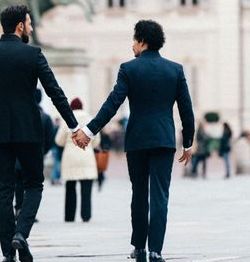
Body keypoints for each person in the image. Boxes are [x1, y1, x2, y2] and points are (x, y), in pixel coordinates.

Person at [73, 20, 195, 262]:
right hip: (163, 140)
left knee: (139, 193)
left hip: (137, 140)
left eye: (134, 40)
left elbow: (112, 104)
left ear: (142, 42)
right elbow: (186, 110)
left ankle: (139, 247)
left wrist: (89, 131)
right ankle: (156, 250)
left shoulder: (128, 69)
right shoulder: (175, 70)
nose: (132, 45)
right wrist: (188, 143)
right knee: (160, 195)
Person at [0, 5, 80, 262]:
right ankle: (21, 234)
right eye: (30, 24)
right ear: (20, 26)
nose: (31, 28)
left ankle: (9, 254)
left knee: (3, 191)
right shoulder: (33, 55)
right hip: (29, 131)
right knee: (34, 185)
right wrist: (73, 126)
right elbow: (55, 91)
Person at [55, 97, 100, 222]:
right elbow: (97, 141)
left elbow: (58, 140)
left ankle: (69, 216)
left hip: (70, 156)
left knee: (70, 188)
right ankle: (86, 215)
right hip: (87, 155)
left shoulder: (67, 120)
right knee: (86, 188)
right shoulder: (90, 118)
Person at [14, 89, 55, 221]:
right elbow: (50, 139)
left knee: (18, 182)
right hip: (36, 155)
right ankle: (28, 212)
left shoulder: (19, 114)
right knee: (32, 185)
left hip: (17, 154)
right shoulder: (46, 117)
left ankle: (19, 208)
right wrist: (44, 151)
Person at [49, 117, 63, 186]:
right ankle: (54, 178)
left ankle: (54, 179)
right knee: (57, 164)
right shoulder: (58, 129)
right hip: (57, 149)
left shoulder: (53, 128)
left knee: (56, 164)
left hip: (53, 148)